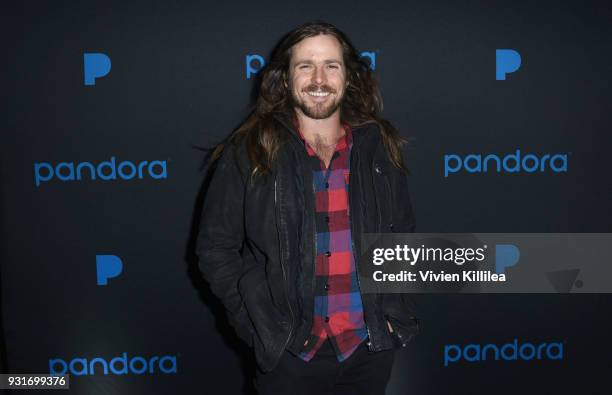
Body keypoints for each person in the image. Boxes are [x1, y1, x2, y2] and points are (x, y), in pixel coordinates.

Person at [197, 21, 419, 395]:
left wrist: (395, 315)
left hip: (369, 350)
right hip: (289, 355)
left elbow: (402, 235)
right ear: (284, 78)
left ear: (348, 77)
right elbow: (214, 249)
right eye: (305, 65)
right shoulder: (249, 150)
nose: (319, 78)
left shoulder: (378, 146)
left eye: (331, 65)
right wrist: (258, 325)